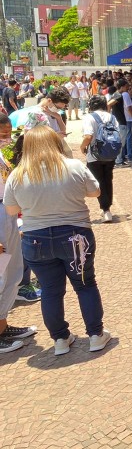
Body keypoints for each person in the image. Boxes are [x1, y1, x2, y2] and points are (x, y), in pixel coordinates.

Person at [3, 125, 112, 356]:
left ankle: (60, 339)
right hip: (75, 235)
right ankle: (95, 334)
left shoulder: (18, 174)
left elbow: (11, 209)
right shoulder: (72, 166)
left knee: (51, 291)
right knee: (85, 284)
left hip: (35, 239)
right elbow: (95, 192)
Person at [0, 113, 36, 353]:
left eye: (8, 133)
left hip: (6, 213)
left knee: (12, 273)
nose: (6, 138)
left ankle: (2, 325)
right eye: (3, 134)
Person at [80, 95, 118, 224]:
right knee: (108, 179)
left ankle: (106, 209)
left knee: (99, 180)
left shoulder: (89, 117)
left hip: (94, 155)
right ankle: (107, 207)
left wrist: (82, 147)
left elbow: (88, 136)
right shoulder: (111, 117)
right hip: (110, 153)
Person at [107, 80, 131, 167]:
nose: (128, 88)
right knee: (121, 142)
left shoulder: (114, 94)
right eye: (126, 86)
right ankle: (118, 160)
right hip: (120, 121)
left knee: (118, 141)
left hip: (117, 120)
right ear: (123, 86)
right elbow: (108, 104)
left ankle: (119, 159)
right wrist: (108, 114)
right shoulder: (119, 95)